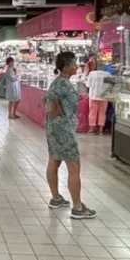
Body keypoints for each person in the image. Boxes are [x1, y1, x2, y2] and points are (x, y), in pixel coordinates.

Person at [45, 52, 97, 220]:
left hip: (53, 128)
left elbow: (49, 99)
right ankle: (77, 207)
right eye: (74, 64)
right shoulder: (64, 85)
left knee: (54, 159)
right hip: (64, 129)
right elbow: (52, 102)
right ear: (66, 67)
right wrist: (58, 112)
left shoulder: (57, 83)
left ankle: (56, 198)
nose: (77, 66)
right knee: (74, 165)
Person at [84, 63, 112, 134]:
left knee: (92, 112)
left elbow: (88, 85)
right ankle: (101, 129)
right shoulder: (108, 74)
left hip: (93, 95)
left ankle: (92, 129)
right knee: (102, 113)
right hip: (104, 96)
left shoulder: (92, 73)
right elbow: (110, 86)